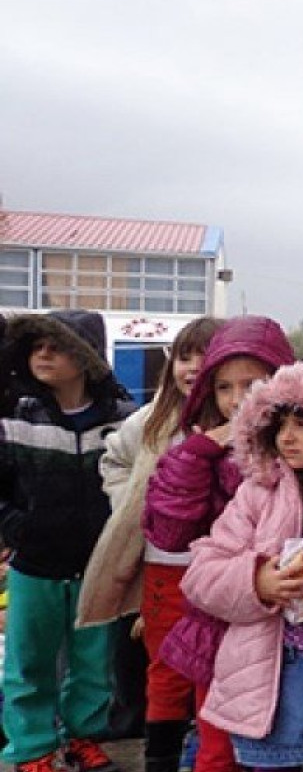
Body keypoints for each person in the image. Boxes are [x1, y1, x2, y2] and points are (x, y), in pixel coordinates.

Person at [181, 358, 303, 772]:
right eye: (279, 425)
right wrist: (256, 581)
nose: (286, 437)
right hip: (275, 684)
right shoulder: (259, 494)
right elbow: (202, 573)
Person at [144, 316, 296, 772]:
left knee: (281, 744)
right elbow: (170, 533)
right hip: (220, 618)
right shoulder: (201, 452)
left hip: (290, 618)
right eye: (224, 387)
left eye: (251, 385)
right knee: (218, 746)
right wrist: (198, 452)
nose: (236, 400)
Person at [78, 317, 222, 772]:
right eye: (183, 356)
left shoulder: (236, 421)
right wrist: (133, 506)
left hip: (218, 571)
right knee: (166, 670)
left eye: (204, 356)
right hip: (162, 567)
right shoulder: (152, 419)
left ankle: (207, 756)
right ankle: (160, 759)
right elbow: (113, 461)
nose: (192, 367)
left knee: (215, 671)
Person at [0, 310, 137, 772]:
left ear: (87, 358)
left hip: (99, 567)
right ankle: (32, 748)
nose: (43, 354)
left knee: (94, 664)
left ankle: (84, 737)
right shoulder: (15, 418)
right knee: (28, 663)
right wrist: (15, 527)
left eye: (57, 346)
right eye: (36, 346)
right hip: (33, 566)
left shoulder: (122, 421)